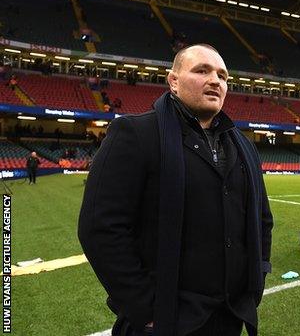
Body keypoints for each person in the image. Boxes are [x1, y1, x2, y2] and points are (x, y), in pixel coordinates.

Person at [78, 44, 273, 336]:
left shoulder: (243, 146)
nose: (214, 81)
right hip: (165, 322)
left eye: (222, 76)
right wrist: (145, 309)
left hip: (230, 317)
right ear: (173, 81)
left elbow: (262, 220)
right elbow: (100, 228)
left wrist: (255, 282)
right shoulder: (136, 133)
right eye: (201, 71)